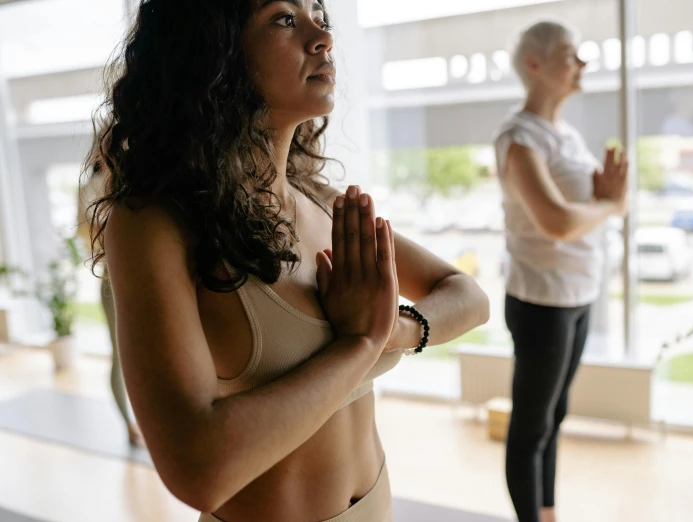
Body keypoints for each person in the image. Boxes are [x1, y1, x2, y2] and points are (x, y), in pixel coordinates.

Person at [85, 1, 490, 521]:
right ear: (215, 53)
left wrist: (394, 330)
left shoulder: (320, 200)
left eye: (318, 12)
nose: (322, 36)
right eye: (283, 18)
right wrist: (360, 343)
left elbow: (467, 295)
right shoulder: (156, 223)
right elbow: (197, 472)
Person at [494, 20, 628, 522]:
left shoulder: (565, 135)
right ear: (534, 64)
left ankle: (547, 515)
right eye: (571, 55)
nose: (582, 64)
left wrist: (608, 202)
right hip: (540, 299)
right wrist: (609, 206)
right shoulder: (520, 137)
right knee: (531, 427)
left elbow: (591, 209)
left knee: (555, 417)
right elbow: (555, 222)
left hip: (578, 294)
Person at [77, 162, 145, 448]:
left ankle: (144, 424)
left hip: (139, 277)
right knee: (121, 357)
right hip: (113, 278)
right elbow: (88, 233)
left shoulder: (134, 181)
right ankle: (131, 425)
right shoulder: (93, 188)